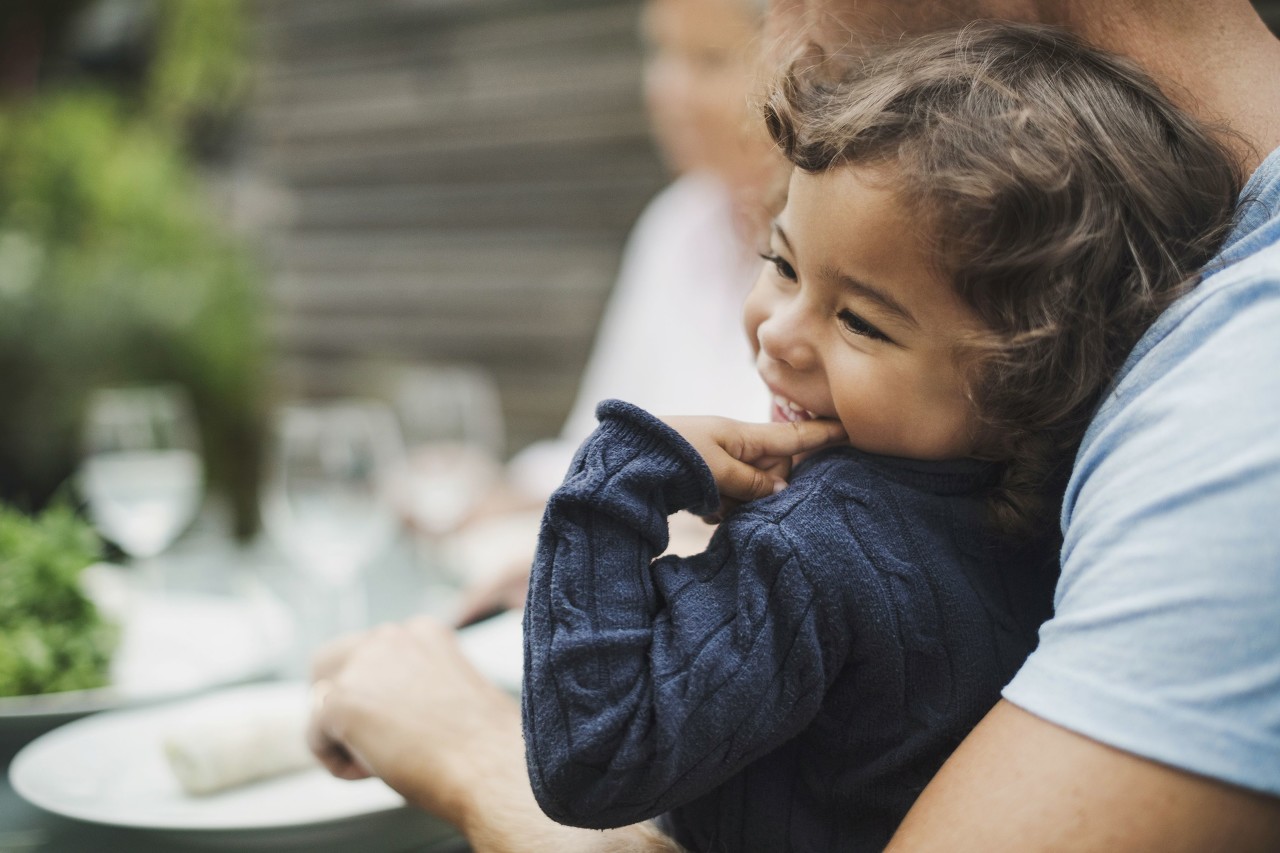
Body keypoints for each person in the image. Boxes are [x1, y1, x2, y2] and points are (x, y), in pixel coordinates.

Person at [308, 1, 1280, 849]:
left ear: (1027, 363)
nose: (771, 29)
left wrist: (462, 746)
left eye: (858, 315)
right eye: (776, 265)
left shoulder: (1238, 397)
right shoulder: (1045, 452)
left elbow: (592, 761)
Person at [452, 0, 776, 624]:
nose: (667, 90)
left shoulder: (824, 259)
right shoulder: (676, 224)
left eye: (709, 60)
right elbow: (598, 435)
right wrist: (505, 489)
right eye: (660, 53)